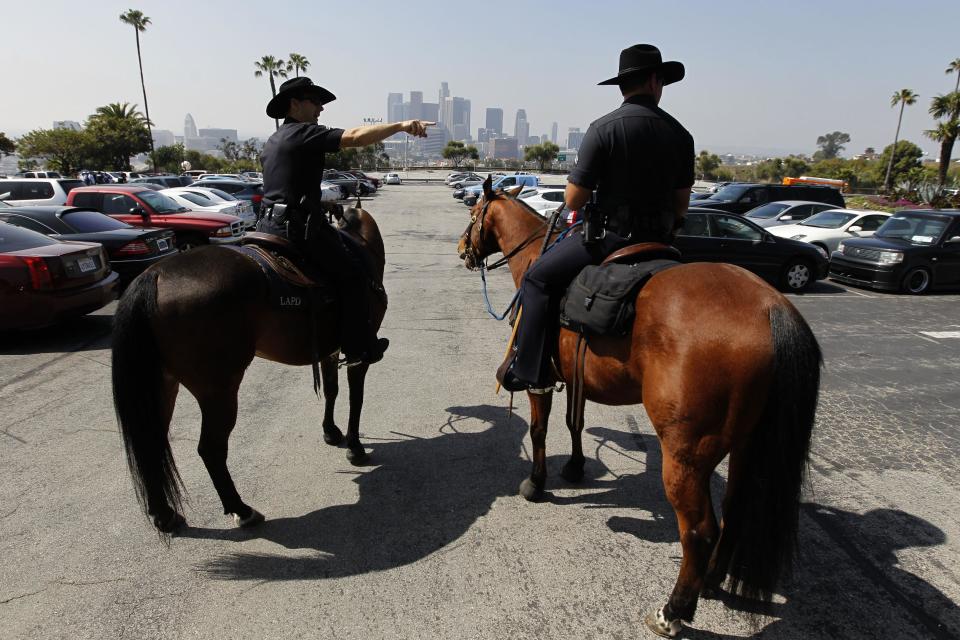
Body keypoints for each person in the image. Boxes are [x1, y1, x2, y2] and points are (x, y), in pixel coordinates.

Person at [497, 44, 695, 392]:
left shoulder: (603, 128)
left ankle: (530, 369)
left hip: (611, 238)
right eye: (661, 80)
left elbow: (574, 197)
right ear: (653, 82)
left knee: (537, 280)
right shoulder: (681, 135)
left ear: (623, 85)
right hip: (662, 242)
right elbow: (681, 206)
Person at [257, 76, 432, 366]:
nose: (321, 109)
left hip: (265, 227)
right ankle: (357, 347)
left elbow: (284, 188)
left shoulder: (273, 140)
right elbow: (356, 137)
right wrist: (402, 126)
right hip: (298, 230)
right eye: (315, 101)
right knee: (355, 272)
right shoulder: (304, 133)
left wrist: (321, 202)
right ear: (295, 104)